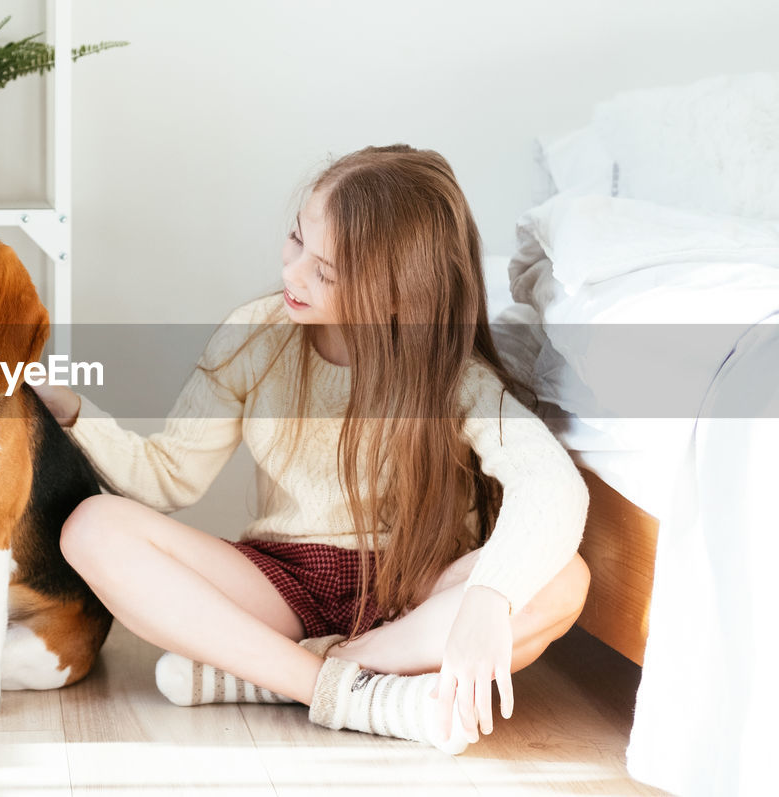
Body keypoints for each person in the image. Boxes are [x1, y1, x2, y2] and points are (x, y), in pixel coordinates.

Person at [33, 144, 591, 754]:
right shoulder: (257, 337)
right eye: (296, 239)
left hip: (413, 592)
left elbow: (552, 485)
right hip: (283, 581)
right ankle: (340, 689)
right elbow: (170, 478)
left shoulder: (452, 377)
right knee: (91, 528)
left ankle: (281, 672)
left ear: (399, 292)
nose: (292, 273)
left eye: (325, 271)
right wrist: (76, 413)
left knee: (563, 581)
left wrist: (488, 598)